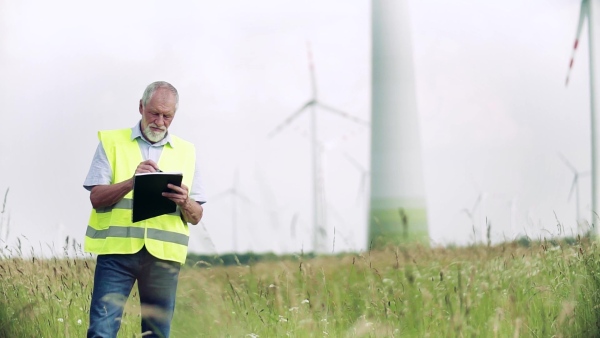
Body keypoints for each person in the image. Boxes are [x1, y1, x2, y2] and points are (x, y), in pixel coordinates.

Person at [83, 81, 205, 338]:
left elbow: (197, 215)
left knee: (157, 334)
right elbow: (96, 197)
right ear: (141, 107)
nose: (160, 121)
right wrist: (131, 182)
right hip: (117, 255)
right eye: (154, 113)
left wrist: (184, 201)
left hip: (164, 258)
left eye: (167, 116)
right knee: (101, 331)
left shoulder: (188, 152)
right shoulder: (111, 142)